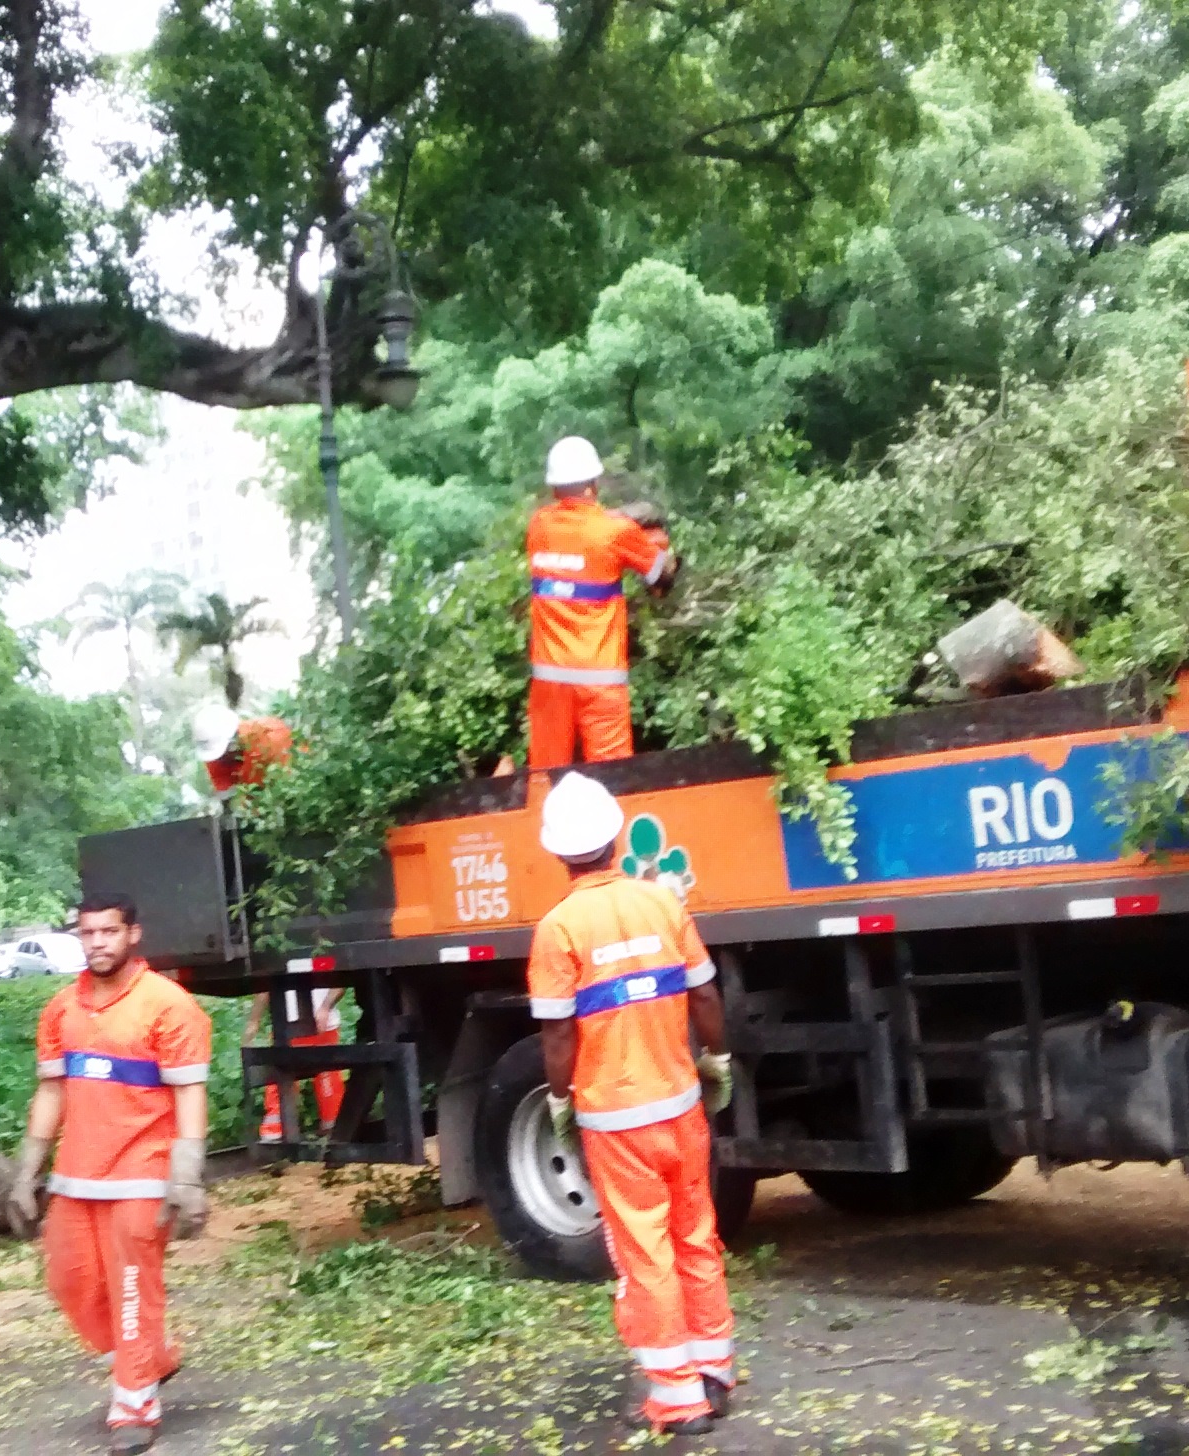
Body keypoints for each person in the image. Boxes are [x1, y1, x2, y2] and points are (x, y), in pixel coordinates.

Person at [525, 772, 736, 1435]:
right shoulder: (663, 904)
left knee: (646, 1254)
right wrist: (716, 1057)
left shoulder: (557, 929)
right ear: (617, 835)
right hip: (681, 1106)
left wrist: (560, 1099)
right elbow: (704, 995)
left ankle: (677, 1400)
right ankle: (714, 1372)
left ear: (558, 851)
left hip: (616, 1124)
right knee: (696, 1235)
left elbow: (558, 1031)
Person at [7, 892, 213, 1454]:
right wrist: (27, 1172)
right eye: (88, 933)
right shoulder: (61, 1009)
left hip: (144, 1171)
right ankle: (150, 1360)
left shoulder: (169, 1006)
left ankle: (134, 1406)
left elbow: (190, 1095)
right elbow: (51, 1091)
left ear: (133, 935)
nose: (97, 942)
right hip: (76, 1175)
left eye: (108, 932)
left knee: (130, 1289)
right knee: (69, 1282)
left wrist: (187, 1179)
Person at [525, 435, 676, 769]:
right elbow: (660, 579)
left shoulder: (538, 526)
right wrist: (660, 546)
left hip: (550, 682)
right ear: (593, 483)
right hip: (600, 681)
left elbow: (580, 525)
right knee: (612, 777)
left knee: (546, 778)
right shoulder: (617, 531)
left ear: (554, 489)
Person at [248, 986, 345, 1143]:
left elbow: (263, 987)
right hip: (294, 1024)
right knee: (322, 1075)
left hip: (310, 1025)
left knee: (324, 1077)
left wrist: (254, 1020)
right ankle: (334, 1130)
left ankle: (333, 1129)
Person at [191, 704, 292, 797]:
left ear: (233, 741)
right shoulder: (215, 755)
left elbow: (289, 783)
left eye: (223, 754)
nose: (219, 760)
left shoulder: (271, 739)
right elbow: (226, 792)